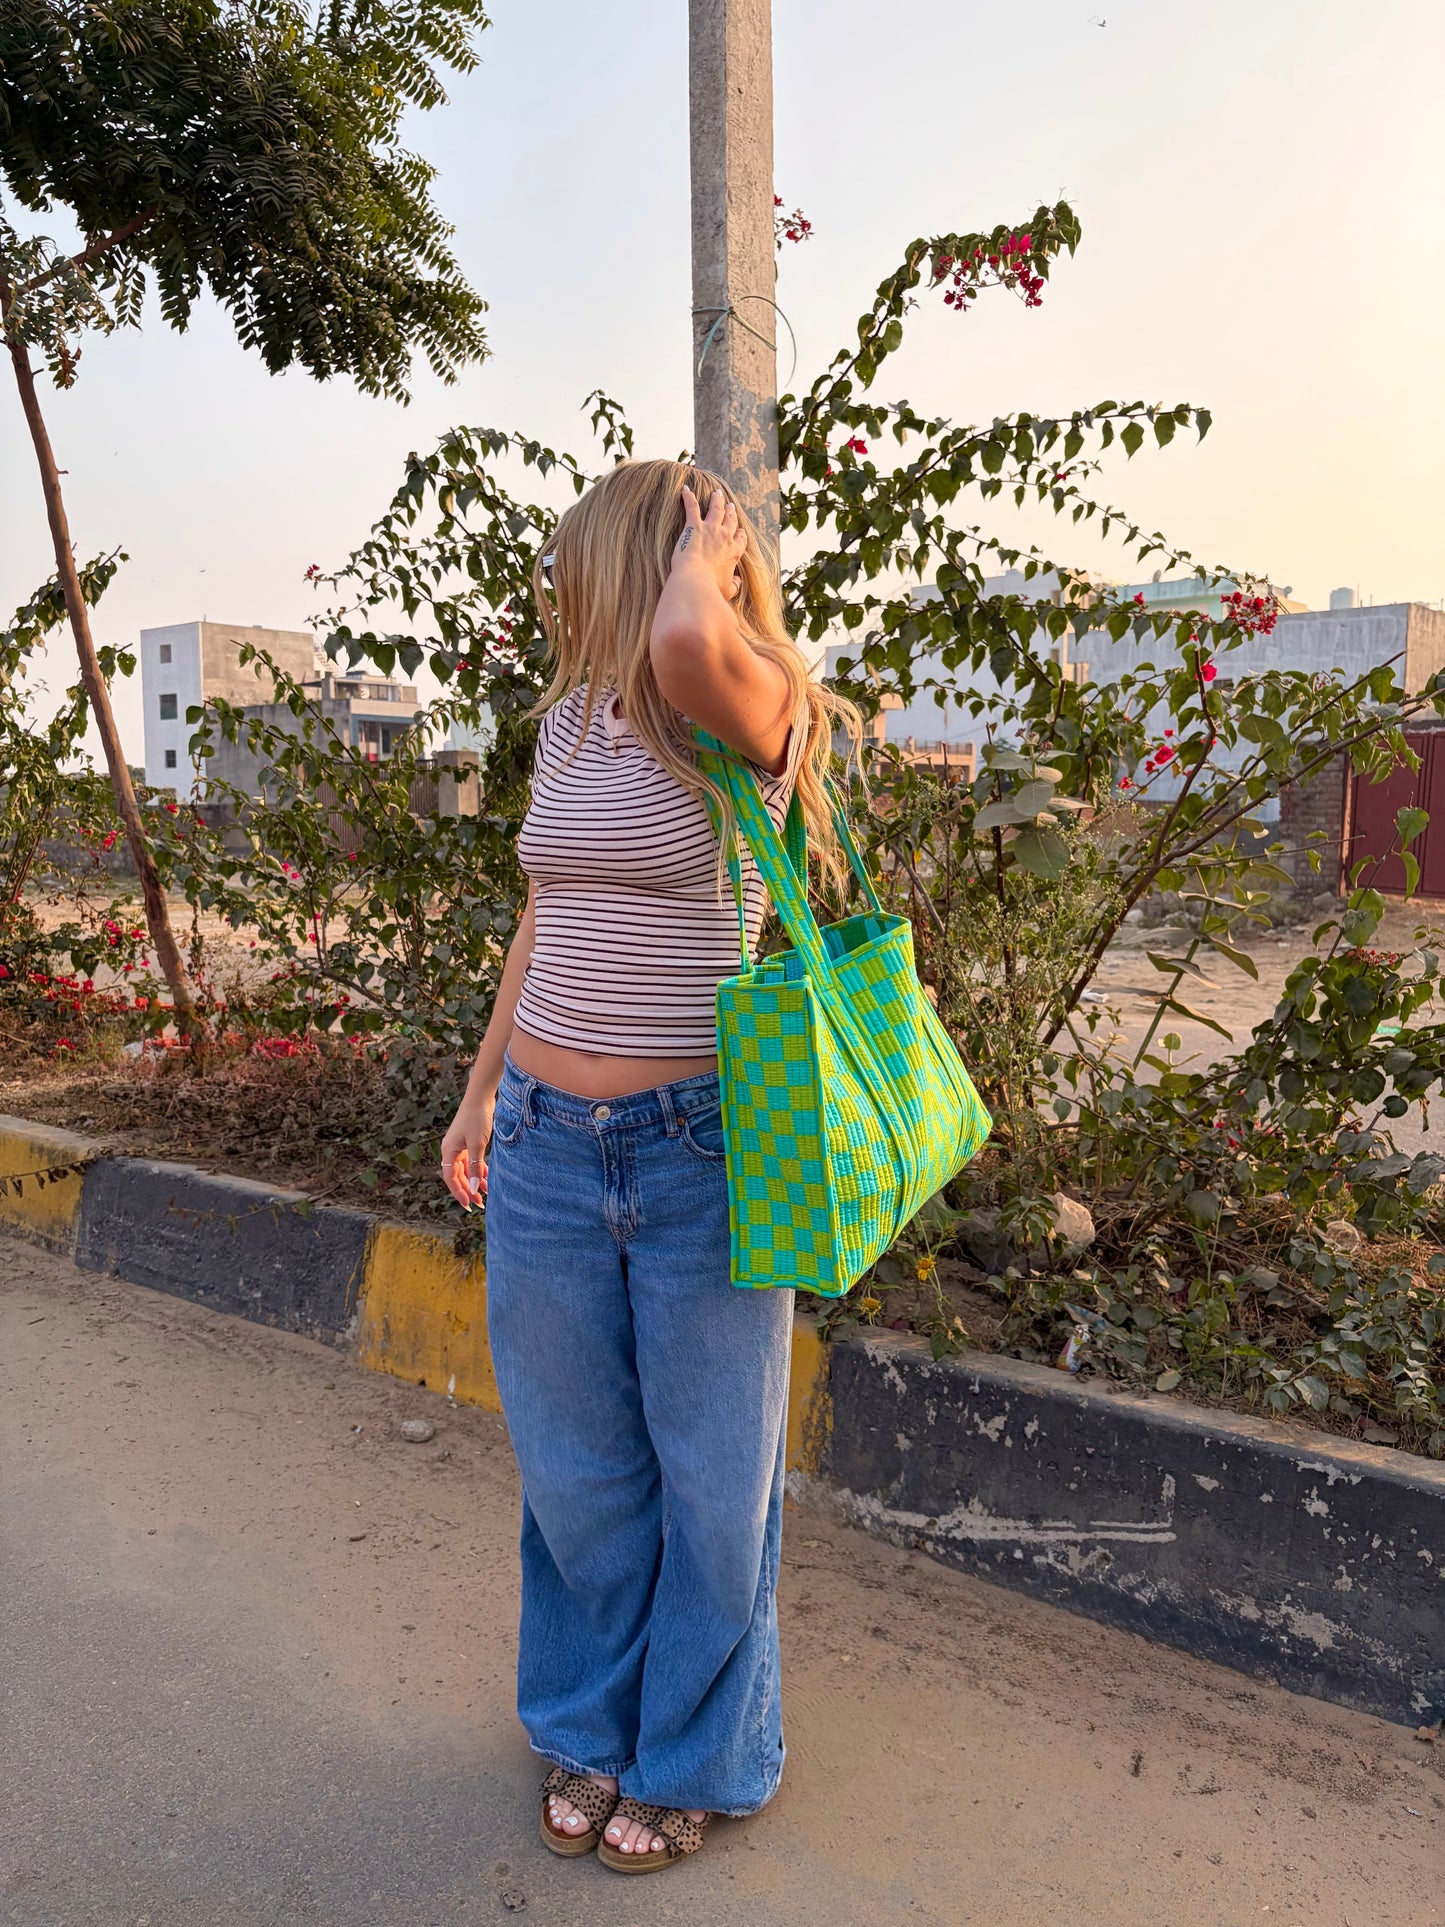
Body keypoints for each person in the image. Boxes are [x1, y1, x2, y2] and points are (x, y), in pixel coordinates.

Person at [440, 458, 859, 1876]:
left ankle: (697, 1756)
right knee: (577, 1471)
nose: (560, 590)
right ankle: (586, 1723)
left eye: (580, 564)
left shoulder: (753, 710)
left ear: (653, 562)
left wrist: (715, 558)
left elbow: (689, 642)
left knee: (712, 1480)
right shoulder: (570, 727)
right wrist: (482, 1088)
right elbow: (541, 918)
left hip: (703, 1155)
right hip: (551, 1147)